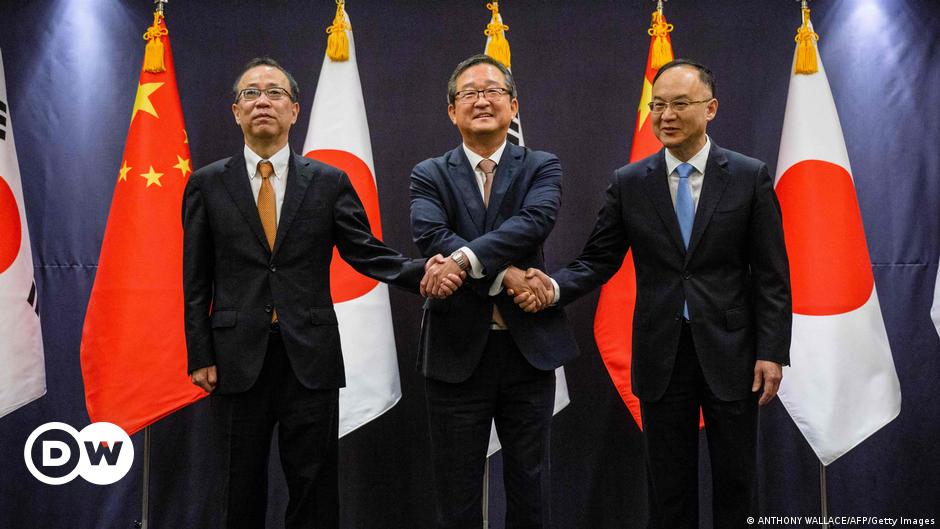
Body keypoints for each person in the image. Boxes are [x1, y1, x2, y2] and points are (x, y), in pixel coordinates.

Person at [182, 57, 460, 529]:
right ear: (235, 112)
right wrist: (200, 353)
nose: (263, 101)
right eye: (251, 93)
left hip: (309, 357)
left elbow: (365, 252)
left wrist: (425, 273)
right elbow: (195, 277)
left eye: (275, 93)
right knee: (237, 487)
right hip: (234, 359)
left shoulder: (328, 181)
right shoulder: (207, 183)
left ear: (295, 110)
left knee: (314, 490)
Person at [515, 59, 791, 528]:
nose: (666, 115)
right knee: (667, 490)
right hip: (661, 354)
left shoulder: (749, 176)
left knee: (737, 485)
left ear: (710, 108)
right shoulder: (629, 183)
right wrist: (555, 287)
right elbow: (598, 260)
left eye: (680, 104)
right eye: (658, 105)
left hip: (733, 354)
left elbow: (771, 275)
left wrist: (772, 351)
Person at [412, 54, 579, 529]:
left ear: (513, 105)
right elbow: (431, 235)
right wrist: (504, 276)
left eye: (492, 91)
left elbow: (534, 223)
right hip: (454, 352)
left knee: (531, 487)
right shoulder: (430, 173)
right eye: (469, 93)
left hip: (528, 352)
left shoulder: (541, 166)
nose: (482, 100)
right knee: (456, 492)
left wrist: (464, 260)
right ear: (452, 111)